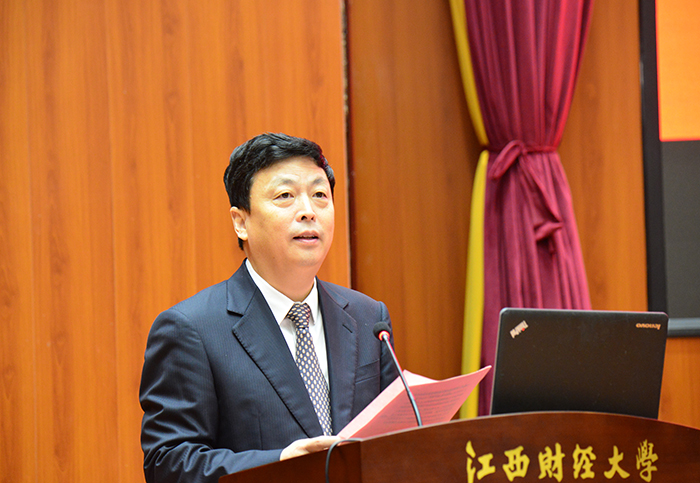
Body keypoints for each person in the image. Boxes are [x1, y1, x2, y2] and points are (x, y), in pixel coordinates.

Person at [139, 133, 399, 483]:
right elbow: (169, 464)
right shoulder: (191, 330)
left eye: (320, 195)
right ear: (241, 222)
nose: (308, 211)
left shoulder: (368, 318)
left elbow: (394, 441)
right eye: (285, 196)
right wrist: (280, 464)